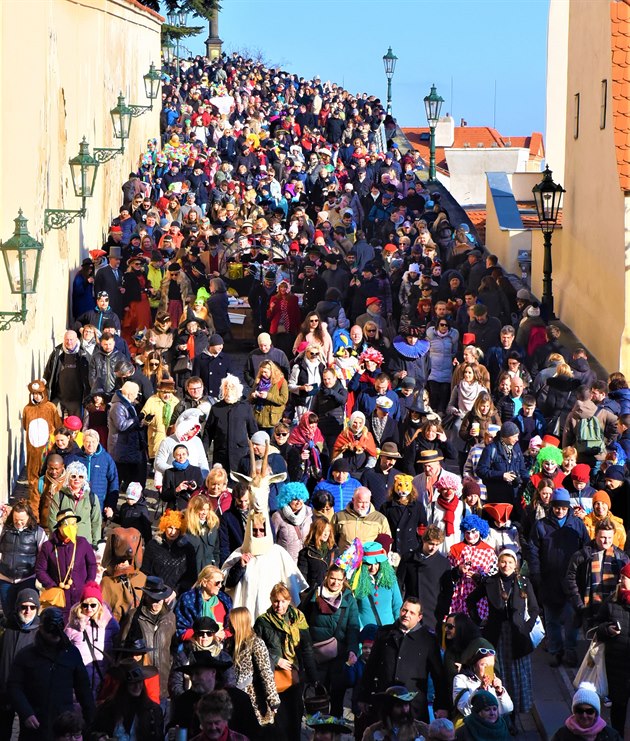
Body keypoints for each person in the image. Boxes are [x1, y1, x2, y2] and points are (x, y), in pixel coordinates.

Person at [467, 548, 538, 723]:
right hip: (495, 636)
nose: (506, 565)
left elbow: (535, 608)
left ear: (515, 565)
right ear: (498, 563)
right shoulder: (490, 582)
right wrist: (479, 621)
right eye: (503, 562)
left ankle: (513, 716)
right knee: (492, 673)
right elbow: (471, 601)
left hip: (518, 637)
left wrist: (527, 627)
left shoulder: (523, 582)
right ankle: (494, 713)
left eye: (510, 562)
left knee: (515, 677)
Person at [8, 607, 95, 741]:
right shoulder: (26, 655)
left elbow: (83, 689)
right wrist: (26, 712)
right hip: (35, 726)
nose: (54, 635)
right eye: (50, 631)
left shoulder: (71, 654)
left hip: (63, 727)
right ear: (41, 629)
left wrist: (91, 721)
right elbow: (14, 686)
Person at [360, 597, 449, 722]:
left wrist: (442, 706)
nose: (406, 615)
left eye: (412, 613)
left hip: (413, 708)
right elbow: (370, 667)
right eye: (404, 610)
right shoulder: (384, 633)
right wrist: (363, 697)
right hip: (385, 704)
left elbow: (438, 676)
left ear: (419, 617)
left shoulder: (428, 639)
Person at [528, 487, 589, 667]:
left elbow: (586, 549)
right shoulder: (540, 525)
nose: (560, 510)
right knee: (552, 619)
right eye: (557, 507)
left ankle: (570, 650)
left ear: (568, 508)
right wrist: (536, 574)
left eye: (563, 508)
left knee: (571, 619)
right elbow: (532, 551)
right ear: (552, 507)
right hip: (549, 580)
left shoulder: (577, 525)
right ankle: (556, 650)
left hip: (572, 581)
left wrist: (583, 576)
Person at [254, 582, 318, 741]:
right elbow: (256, 649)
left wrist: (313, 677)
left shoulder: (298, 617)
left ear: (289, 601)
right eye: (276, 601)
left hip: (295, 675)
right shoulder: (263, 621)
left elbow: (307, 648)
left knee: (295, 717)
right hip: (274, 677)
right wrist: (276, 660)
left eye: (283, 601)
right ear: (271, 600)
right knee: (279, 720)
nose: (279, 605)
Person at [222, 508, 308, 620]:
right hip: (248, 617)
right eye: (254, 530)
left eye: (262, 530)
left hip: (274, 617)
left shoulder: (278, 553)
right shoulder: (239, 553)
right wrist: (239, 565)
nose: (258, 534)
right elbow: (227, 583)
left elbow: (291, 587)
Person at [301, 565, 360, 716]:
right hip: (317, 656)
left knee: (337, 697)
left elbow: (353, 627)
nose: (335, 582)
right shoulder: (315, 594)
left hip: (339, 657)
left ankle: (335, 732)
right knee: (319, 697)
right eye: (332, 578)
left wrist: (353, 650)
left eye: (339, 579)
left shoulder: (348, 599)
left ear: (344, 580)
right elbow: (302, 620)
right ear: (327, 577)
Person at [118, 576, 177, 701]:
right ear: (146, 596)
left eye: (160, 599)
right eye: (153, 599)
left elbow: (173, 648)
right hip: (140, 683)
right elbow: (121, 646)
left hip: (163, 684)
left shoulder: (170, 618)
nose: (156, 603)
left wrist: (170, 664)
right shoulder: (133, 616)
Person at [565, 518, 629, 631]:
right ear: (595, 535)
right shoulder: (581, 556)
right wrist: (579, 604)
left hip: (613, 610)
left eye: (610, 538)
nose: (606, 541)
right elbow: (570, 579)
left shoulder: (621, 557)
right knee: (590, 645)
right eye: (603, 537)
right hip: (589, 609)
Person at [35, 509, 97, 621]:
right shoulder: (48, 546)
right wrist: (52, 585)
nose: (72, 527)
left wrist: (88, 585)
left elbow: (92, 565)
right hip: (59, 598)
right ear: (59, 527)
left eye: (74, 524)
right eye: (68, 524)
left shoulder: (82, 543)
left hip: (80, 597)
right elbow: (40, 570)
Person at [226, 606, 280, 728]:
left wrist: (273, 701)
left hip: (253, 700)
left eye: (231, 621)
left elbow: (266, 672)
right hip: (233, 699)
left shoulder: (256, 643)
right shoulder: (229, 644)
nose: (228, 624)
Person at [0, 588, 40, 738]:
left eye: (32, 607)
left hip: (28, 694)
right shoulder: (6, 628)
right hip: (4, 690)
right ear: (17, 608)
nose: (27, 611)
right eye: (23, 607)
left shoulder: (40, 633)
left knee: (27, 734)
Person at [397, 526, 451, 633]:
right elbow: (399, 583)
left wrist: (442, 610)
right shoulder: (408, 558)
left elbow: (448, 590)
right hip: (411, 609)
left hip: (432, 612)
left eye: (437, 545)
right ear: (424, 541)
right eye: (430, 543)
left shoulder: (443, 563)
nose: (433, 548)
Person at [92, 663, 164, 741]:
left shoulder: (153, 710)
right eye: (132, 683)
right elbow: (92, 731)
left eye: (139, 682)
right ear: (124, 685)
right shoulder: (108, 708)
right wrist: (101, 737)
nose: (137, 686)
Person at [0, 500, 47, 616]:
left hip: (27, 579)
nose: (19, 523)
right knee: (8, 613)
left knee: (27, 613)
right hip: (5, 578)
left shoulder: (38, 532)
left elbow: (45, 555)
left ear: (29, 517)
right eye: (16, 520)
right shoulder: (5, 529)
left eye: (22, 520)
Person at [477, 421, 530, 519]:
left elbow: (522, 469)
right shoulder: (491, 449)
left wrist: (529, 483)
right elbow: (481, 470)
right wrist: (501, 475)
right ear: (506, 436)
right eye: (514, 436)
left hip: (515, 497)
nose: (517, 439)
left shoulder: (517, 448)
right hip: (497, 498)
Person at [206, 374, 259, 472]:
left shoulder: (245, 408)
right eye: (226, 387)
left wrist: (257, 452)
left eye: (232, 388)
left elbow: (253, 432)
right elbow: (208, 433)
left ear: (238, 390)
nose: (229, 391)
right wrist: (204, 452)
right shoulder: (216, 408)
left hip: (241, 455)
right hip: (221, 455)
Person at [452, 644, 514, 722]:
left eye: (491, 666)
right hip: (472, 727)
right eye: (483, 665)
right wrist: (480, 690)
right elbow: (465, 710)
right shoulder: (461, 679)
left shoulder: (493, 683)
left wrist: (500, 692)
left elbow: (507, 709)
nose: (487, 669)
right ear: (474, 666)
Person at [48, 460, 102, 547]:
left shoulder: (92, 498)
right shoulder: (59, 496)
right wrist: (58, 539)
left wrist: (96, 544)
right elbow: (52, 521)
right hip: (64, 544)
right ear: (68, 477)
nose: (77, 479)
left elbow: (96, 522)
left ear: (84, 479)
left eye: (81, 476)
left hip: (85, 544)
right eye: (73, 476)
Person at [142, 509, 197, 595]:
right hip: (154, 592)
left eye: (177, 529)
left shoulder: (187, 548)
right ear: (164, 527)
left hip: (176, 596)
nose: (173, 532)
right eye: (170, 527)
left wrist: (176, 591)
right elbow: (145, 571)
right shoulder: (153, 545)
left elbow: (191, 576)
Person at [351, 540, 403, 630]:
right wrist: (360, 629)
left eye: (376, 563)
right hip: (366, 633)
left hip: (388, 631)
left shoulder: (391, 580)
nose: (373, 568)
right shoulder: (356, 582)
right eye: (369, 564)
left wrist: (398, 628)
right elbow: (353, 610)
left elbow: (397, 605)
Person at [175, 564, 232, 642]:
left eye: (221, 583)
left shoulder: (225, 601)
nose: (220, 586)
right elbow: (180, 630)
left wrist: (224, 634)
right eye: (217, 583)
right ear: (204, 582)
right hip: (191, 648)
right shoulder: (188, 600)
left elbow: (231, 629)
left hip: (220, 648)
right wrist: (208, 635)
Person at [551, 682, 622, 741]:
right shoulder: (562, 736)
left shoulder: (611, 736)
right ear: (574, 712)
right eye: (580, 710)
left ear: (596, 713)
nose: (584, 715)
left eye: (589, 711)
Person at [380, 473, 427, 556]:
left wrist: (420, 545)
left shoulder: (417, 507)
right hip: (393, 549)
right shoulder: (386, 507)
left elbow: (422, 527)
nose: (403, 489)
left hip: (412, 548)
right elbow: (382, 529)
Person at [333, 486, 391, 551]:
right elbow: (332, 538)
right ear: (353, 500)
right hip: (344, 559)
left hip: (369, 559)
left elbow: (386, 543)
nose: (364, 506)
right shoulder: (339, 516)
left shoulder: (380, 519)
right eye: (360, 502)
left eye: (366, 502)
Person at [362, 684, 428, 741]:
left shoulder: (421, 730)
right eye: (399, 706)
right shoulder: (372, 732)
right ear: (388, 708)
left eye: (406, 705)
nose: (404, 710)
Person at [271, 481, 313, 562]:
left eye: (301, 498)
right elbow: (272, 541)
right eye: (294, 499)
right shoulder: (277, 516)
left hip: (304, 561)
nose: (298, 502)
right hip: (285, 561)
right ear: (287, 499)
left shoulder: (308, 514)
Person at [297, 515, 340, 589]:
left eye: (328, 531)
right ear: (316, 531)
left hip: (331, 590)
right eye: (323, 531)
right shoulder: (306, 553)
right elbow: (302, 578)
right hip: (313, 592)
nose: (326, 534)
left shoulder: (335, 550)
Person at [161, 443, 206, 510]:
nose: (181, 457)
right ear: (174, 456)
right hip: (175, 508)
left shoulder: (196, 470)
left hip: (192, 507)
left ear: (187, 454)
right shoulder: (169, 472)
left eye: (184, 454)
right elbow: (164, 497)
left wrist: (195, 487)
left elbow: (203, 492)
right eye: (178, 455)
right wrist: (177, 489)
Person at [184, 493, 221, 571]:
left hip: (207, 571)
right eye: (202, 510)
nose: (205, 512)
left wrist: (215, 565)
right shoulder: (186, 527)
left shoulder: (212, 527)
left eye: (207, 509)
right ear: (194, 509)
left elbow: (216, 551)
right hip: (190, 572)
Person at [249, 359, 289, 431]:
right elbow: (250, 400)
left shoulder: (281, 381)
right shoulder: (258, 381)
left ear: (272, 371)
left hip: (272, 421)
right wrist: (253, 396)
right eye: (261, 372)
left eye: (265, 372)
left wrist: (268, 396)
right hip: (258, 418)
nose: (263, 374)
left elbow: (283, 400)